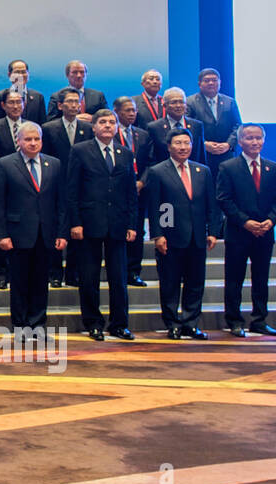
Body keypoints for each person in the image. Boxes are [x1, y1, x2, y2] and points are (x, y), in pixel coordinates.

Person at [65, 109, 138, 340]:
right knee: (89, 277)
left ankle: (119, 324)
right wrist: (75, 222)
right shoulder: (80, 151)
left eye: (112, 122)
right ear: (93, 127)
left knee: (119, 277)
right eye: (103, 122)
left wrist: (132, 224)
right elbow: (72, 190)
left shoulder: (126, 153)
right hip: (89, 223)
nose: (108, 126)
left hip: (117, 223)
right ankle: (93, 323)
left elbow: (130, 193)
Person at [0, 121, 67, 332]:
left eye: (36, 139)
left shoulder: (54, 164)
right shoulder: (5, 164)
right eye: (28, 139)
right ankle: (20, 325)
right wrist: (2, 235)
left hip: (46, 234)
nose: (33, 143)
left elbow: (61, 202)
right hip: (17, 234)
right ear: (19, 141)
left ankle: (38, 323)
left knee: (41, 282)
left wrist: (61, 232)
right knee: (20, 283)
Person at [145, 130, 220, 340]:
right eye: (178, 143)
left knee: (195, 283)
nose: (183, 147)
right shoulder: (159, 171)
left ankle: (190, 323)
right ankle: (172, 324)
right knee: (170, 283)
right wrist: (159, 235)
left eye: (187, 143)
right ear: (169, 146)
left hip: (198, 237)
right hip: (171, 237)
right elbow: (158, 206)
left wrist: (213, 231)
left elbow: (211, 204)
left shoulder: (202, 171)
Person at [216, 124, 276, 337]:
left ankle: (259, 320)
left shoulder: (272, 168)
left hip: (265, 232)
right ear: (240, 141)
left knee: (261, 277)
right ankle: (234, 320)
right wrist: (246, 222)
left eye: (258, 138)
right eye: (249, 138)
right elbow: (224, 199)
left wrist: (270, 221)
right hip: (238, 232)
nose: (255, 142)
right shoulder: (228, 167)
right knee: (235, 278)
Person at [42, 89, 93, 287]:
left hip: (80, 186)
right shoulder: (48, 128)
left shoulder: (87, 128)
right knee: (56, 229)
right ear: (60, 106)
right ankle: (55, 273)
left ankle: (73, 273)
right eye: (69, 102)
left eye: (76, 101)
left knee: (77, 229)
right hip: (55, 184)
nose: (73, 105)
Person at [0, 89, 26, 290]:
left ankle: (19, 272)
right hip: (3, 188)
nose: (15, 106)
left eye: (19, 102)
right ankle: (0, 274)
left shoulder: (30, 128)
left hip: (26, 190)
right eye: (11, 103)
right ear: (3, 106)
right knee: (1, 231)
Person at [113, 96, 153, 288]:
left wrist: (142, 182)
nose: (132, 113)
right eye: (127, 110)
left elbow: (151, 162)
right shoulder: (108, 133)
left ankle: (133, 271)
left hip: (139, 190)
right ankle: (119, 270)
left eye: (134, 110)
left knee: (137, 230)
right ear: (117, 111)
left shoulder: (143, 135)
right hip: (116, 191)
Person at [186, 68, 242, 174]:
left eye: (214, 80)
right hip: (202, 154)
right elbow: (188, 127)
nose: (211, 83)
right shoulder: (190, 102)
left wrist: (228, 144)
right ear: (199, 84)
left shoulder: (229, 102)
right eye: (207, 80)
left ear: (220, 82)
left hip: (226, 154)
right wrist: (204, 144)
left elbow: (238, 126)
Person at [147, 87, 206, 165]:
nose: (178, 105)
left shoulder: (197, 126)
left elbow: (201, 156)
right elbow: (151, 158)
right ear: (164, 105)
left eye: (181, 102)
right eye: (174, 102)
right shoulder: (154, 127)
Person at [0, 59, 46, 125]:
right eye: (17, 72)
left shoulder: (38, 97)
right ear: (9, 75)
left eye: (23, 72)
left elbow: (42, 123)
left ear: (28, 74)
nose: (20, 75)